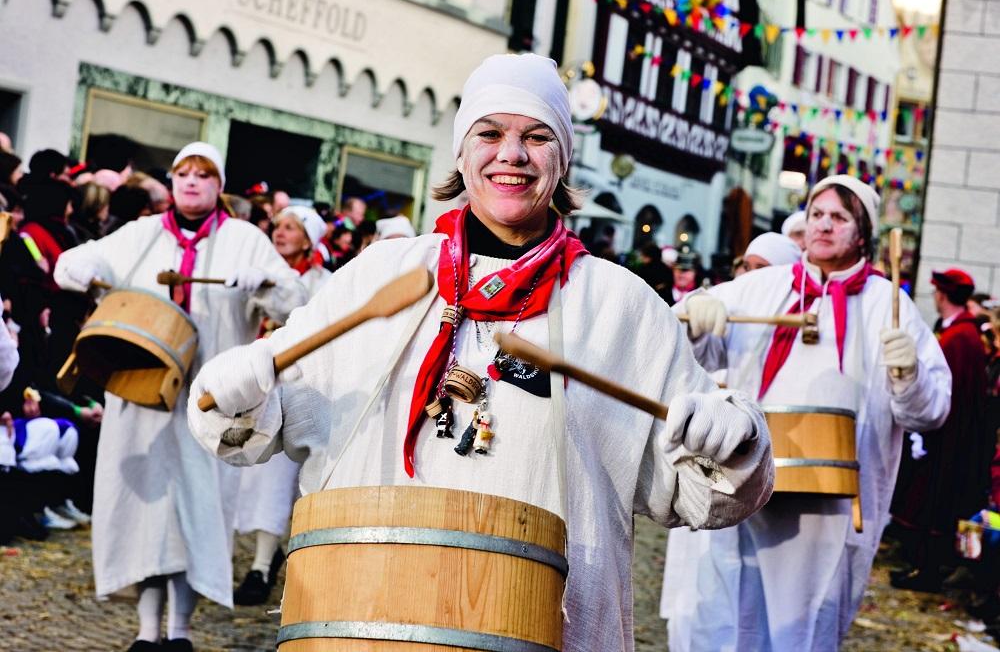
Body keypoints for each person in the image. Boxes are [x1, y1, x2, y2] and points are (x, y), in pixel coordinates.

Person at [187, 53, 774, 652]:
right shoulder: (382, 276)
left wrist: (734, 440)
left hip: (548, 631)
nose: (511, 155)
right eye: (489, 133)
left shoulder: (619, 306)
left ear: (563, 157)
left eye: (537, 137)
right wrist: (237, 390)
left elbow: (706, 496)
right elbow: (256, 421)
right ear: (461, 155)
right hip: (366, 618)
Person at [662, 175, 951, 651]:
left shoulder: (889, 305)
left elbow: (930, 411)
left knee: (807, 623)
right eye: (817, 214)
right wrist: (695, 317)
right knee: (731, 610)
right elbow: (686, 351)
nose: (823, 226)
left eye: (838, 217)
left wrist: (908, 374)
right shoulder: (760, 287)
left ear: (862, 232)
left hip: (832, 507)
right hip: (746, 485)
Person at [53, 141, 308, 652]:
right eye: (182, 173)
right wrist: (73, 267)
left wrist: (265, 282)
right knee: (144, 513)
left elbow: (294, 301)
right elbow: (77, 263)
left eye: (203, 174)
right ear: (172, 182)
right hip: (141, 391)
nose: (191, 181)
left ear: (218, 185)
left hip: (210, 401)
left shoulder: (245, 239)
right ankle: (147, 632)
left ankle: (180, 632)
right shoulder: (141, 235)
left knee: (198, 508)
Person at [232, 205, 331, 606]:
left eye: (291, 227)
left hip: (300, 387)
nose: (280, 233)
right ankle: (252, 559)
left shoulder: (324, 280)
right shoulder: (254, 273)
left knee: (287, 478)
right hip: (257, 386)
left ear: (309, 238)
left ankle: (272, 563)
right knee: (255, 474)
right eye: (278, 226)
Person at [890, 268, 989, 591]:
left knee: (934, 504)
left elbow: (951, 391)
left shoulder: (959, 337)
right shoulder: (960, 333)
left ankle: (927, 570)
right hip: (950, 435)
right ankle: (923, 567)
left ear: (942, 295)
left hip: (948, 438)